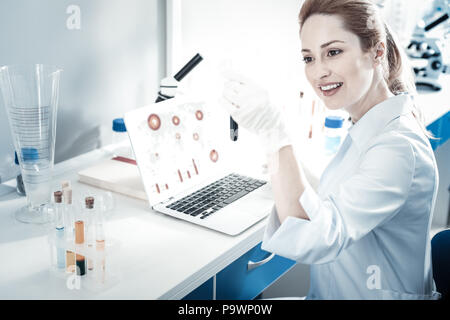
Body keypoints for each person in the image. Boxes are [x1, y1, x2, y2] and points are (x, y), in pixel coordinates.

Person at [220, 0, 441, 300]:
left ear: (376, 52)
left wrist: (275, 135)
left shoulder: (397, 147)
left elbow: (316, 239)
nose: (319, 72)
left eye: (333, 52)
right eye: (309, 58)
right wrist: (282, 165)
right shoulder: (371, 122)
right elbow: (346, 190)